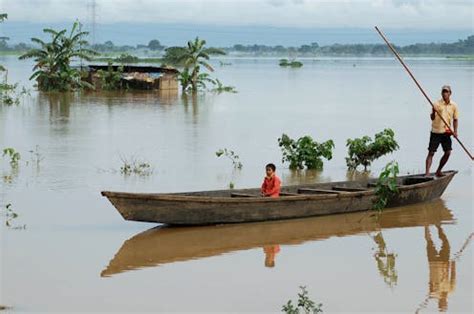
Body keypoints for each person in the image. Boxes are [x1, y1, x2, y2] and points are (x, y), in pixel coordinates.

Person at [425, 85, 459, 177]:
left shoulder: (454, 105)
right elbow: (432, 118)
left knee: (448, 152)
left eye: (446, 92)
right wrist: (433, 111)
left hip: (446, 132)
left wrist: (455, 132)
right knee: (431, 152)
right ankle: (427, 173)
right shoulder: (436, 104)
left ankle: (438, 171)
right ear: (441, 93)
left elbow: (455, 119)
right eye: (443, 92)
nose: (445, 93)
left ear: (450, 93)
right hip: (436, 131)